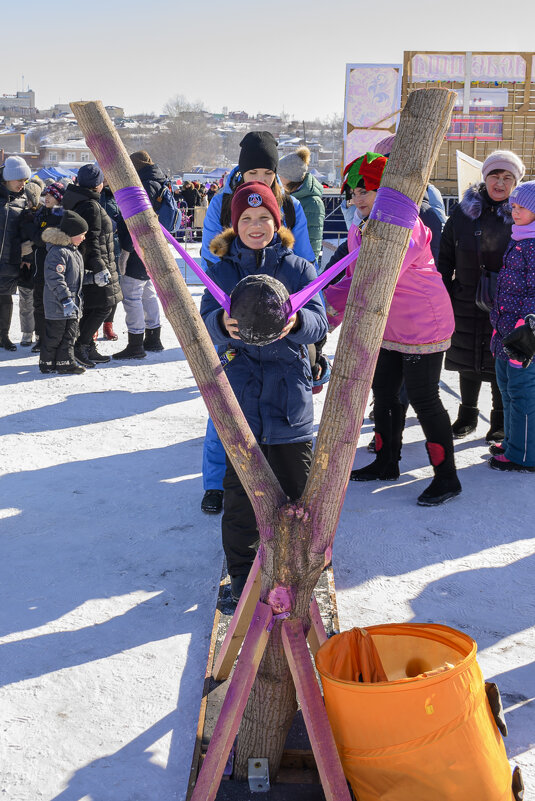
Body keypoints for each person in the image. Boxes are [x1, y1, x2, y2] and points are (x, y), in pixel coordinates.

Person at [200, 181, 328, 600]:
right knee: (240, 496)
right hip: (242, 402)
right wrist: (221, 324)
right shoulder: (221, 270)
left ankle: (300, 568)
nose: (256, 226)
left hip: (289, 399)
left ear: (279, 221)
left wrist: (297, 326)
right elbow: (202, 323)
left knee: (296, 492)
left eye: (264, 218)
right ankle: (240, 577)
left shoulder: (298, 269)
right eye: (247, 219)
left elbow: (320, 323)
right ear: (235, 225)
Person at [324, 152, 461, 506]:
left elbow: (380, 277)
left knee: (424, 399)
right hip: (388, 325)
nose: (356, 199)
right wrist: (322, 310)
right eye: (352, 192)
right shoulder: (361, 227)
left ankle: (447, 477)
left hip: (422, 325)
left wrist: (332, 309)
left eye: (364, 190)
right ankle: (386, 461)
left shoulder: (405, 226)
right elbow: (353, 278)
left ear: (384, 190)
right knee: (384, 395)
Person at [199, 131, 317, 514]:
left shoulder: (290, 205)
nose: (260, 179)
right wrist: (227, 307)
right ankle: (217, 482)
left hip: (282, 301)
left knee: (283, 424)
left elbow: (301, 252)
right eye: (252, 170)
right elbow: (210, 259)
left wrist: (290, 294)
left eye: (266, 172)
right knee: (228, 412)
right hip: (237, 306)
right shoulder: (222, 202)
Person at [438, 150, 525, 442]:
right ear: (485, 178)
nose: (499, 183)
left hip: (505, 303)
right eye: (494, 176)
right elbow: (445, 255)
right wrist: (446, 291)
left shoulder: (521, 216)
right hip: (465, 297)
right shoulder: (463, 213)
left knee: (499, 359)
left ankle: (498, 419)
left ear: (516, 183)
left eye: (507, 178)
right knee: (466, 359)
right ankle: (467, 414)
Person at [488, 181, 535, 472]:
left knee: (522, 394)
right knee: (506, 388)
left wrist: (523, 327)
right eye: (514, 207)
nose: (515, 213)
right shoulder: (518, 238)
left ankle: (524, 455)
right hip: (505, 331)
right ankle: (512, 440)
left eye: (523, 208)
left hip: (524, 336)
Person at [62, 163, 122, 367]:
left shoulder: (81, 200)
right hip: (97, 262)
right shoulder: (90, 205)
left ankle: (87, 345)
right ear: (97, 184)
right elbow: (92, 240)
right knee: (104, 305)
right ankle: (81, 345)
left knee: (96, 306)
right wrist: (99, 266)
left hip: (93, 260)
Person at [113, 150, 167, 359]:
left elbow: (133, 220)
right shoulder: (159, 180)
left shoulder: (144, 185)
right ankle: (153, 338)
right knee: (148, 291)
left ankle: (135, 343)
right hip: (154, 245)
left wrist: (126, 248)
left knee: (132, 294)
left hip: (139, 246)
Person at [40, 210, 88, 375]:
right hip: (58, 303)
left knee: (69, 335)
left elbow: (76, 278)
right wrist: (65, 298)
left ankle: (64, 362)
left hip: (71, 304)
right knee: (55, 335)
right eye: (82, 234)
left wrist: (94, 278)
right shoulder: (58, 252)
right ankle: (47, 363)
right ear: (72, 234)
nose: (84, 237)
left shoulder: (74, 252)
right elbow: (54, 277)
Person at [0, 156, 31, 351]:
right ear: (7, 178)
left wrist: (26, 255)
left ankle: (3, 336)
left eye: (25, 180)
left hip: (11, 259)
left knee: (5, 299)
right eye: (19, 180)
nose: (22, 184)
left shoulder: (24, 199)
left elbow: (27, 231)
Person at [29, 182, 64, 353]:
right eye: (45, 195)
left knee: (54, 302)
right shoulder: (41, 213)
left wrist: (42, 238)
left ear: (58, 198)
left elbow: (49, 239)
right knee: (39, 303)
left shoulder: (61, 215)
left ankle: (53, 339)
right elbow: (36, 238)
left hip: (55, 267)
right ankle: (40, 337)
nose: (46, 198)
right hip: (39, 266)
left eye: (51, 195)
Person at [278, 146, 325, 262]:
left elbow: (312, 241)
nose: (277, 180)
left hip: (300, 265)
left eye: (280, 176)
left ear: (291, 178)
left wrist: (309, 267)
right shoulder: (287, 196)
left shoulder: (312, 203)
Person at [18, 176, 46, 346]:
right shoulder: (21, 213)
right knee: (25, 299)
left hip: (39, 262)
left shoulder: (44, 212)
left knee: (39, 301)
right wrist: (23, 254)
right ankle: (27, 332)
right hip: (24, 264)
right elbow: (16, 237)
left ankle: (38, 333)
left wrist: (30, 248)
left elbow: (43, 238)